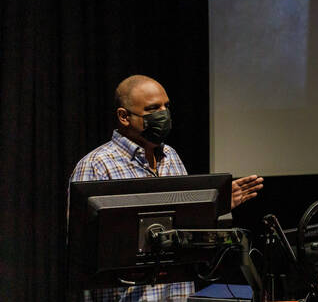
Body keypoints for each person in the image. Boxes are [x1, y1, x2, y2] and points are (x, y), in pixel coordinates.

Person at [69, 75, 264, 301]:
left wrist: (212, 208)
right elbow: (81, 254)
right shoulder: (97, 166)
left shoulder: (170, 156)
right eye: (153, 108)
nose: (164, 114)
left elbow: (181, 227)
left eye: (166, 106)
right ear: (124, 117)